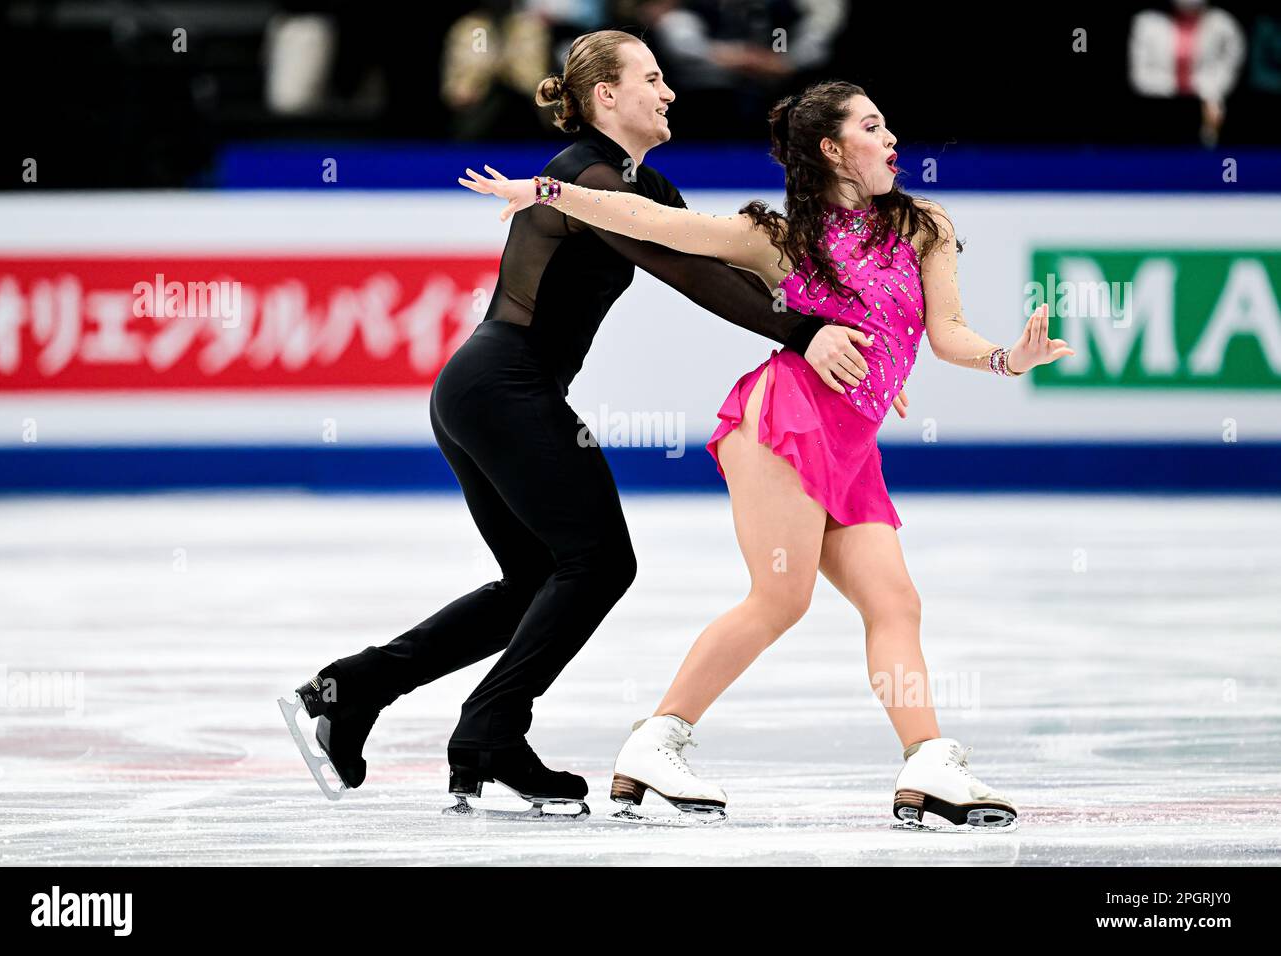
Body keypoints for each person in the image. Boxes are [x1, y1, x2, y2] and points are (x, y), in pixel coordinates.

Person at [280, 33, 899, 815]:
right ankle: (491, 727)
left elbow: (733, 256)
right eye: (652, 77)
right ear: (606, 96)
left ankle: (348, 691)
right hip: (502, 387)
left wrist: (847, 308)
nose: (670, 91)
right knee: (599, 564)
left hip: (487, 390)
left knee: (535, 583)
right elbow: (690, 274)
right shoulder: (583, 177)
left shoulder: (639, 185)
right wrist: (804, 336)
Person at [460, 79, 1075, 828]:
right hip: (781, 421)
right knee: (781, 597)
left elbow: (948, 334)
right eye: (873, 128)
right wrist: (552, 190)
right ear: (832, 150)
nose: (891, 142)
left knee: (895, 603)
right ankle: (657, 743)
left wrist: (1008, 359)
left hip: (851, 442)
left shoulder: (924, 227)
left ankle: (928, 761)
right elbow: (650, 220)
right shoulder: (778, 238)